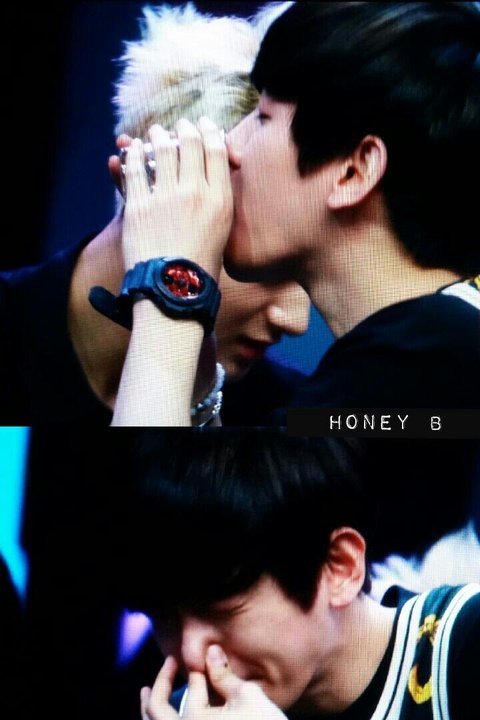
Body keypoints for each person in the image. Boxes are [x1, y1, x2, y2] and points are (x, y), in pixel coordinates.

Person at [75, 429, 480, 720]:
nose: (191, 653)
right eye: (164, 619)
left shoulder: (460, 647)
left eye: (223, 612)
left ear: (338, 568)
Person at [110, 1, 480, 424]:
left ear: (353, 171)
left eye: (263, 117)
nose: (232, 145)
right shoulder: (427, 352)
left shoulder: (426, 363)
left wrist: (170, 289)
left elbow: (139, 469)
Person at [0, 2, 309, 427]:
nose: (295, 320)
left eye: (306, 270)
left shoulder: (293, 419)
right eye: (269, 266)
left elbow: (403, 423)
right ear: (149, 183)